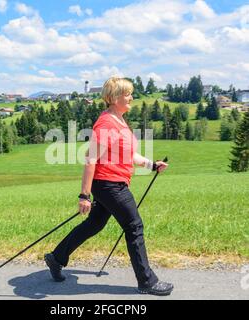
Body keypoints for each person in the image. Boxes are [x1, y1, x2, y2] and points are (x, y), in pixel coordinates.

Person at [44, 77, 173, 295]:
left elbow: (130, 155)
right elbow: (90, 159)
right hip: (109, 185)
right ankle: (147, 281)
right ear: (113, 98)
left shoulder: (120, 121)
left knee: (94, 225)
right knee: (134, 226)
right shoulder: (106, 123)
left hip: (113, 183)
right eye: (127, 94)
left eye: (131, 93)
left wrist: (152, 165)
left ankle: (56, 258)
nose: (131, 97)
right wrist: (84, 195)